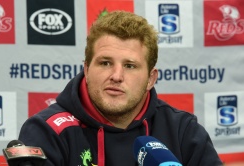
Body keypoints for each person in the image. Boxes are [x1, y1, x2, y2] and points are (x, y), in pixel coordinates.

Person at [18, 11, 223, 166]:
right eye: (105, 63)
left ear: (151, 79)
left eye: (130, 66)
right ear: (87, 69)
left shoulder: (182, 131)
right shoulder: (47, 130)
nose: (116, 76)